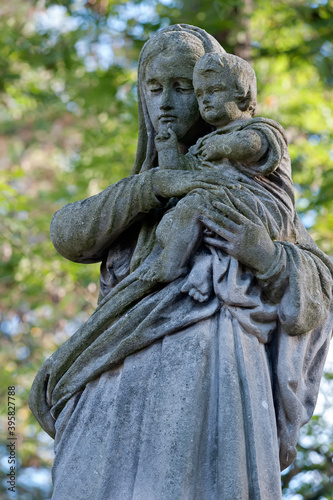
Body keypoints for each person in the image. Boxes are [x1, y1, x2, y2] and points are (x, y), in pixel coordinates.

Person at [29, 25, 333, 500]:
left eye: (183, 87)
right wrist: (157, 184)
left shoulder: (253, 186)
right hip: (112, 364)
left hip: (211, 354)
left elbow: (316, 294)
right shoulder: (138, 195)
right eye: (154, 87)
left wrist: (268, 257)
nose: (166, 102)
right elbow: (68, 233)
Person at [138, 52, 296, 297]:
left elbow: (254, 146)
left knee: (195, 203)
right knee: (167, 225)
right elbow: (180, 176)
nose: (206, 101)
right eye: (200, 95)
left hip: (257, 208)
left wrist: (224, 145)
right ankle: (203, 270)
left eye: (214, 91)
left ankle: (170, 265)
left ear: (242, 94)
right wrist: (168, 150)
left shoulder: (258, 127)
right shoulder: (203, 144)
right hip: (219, 205)